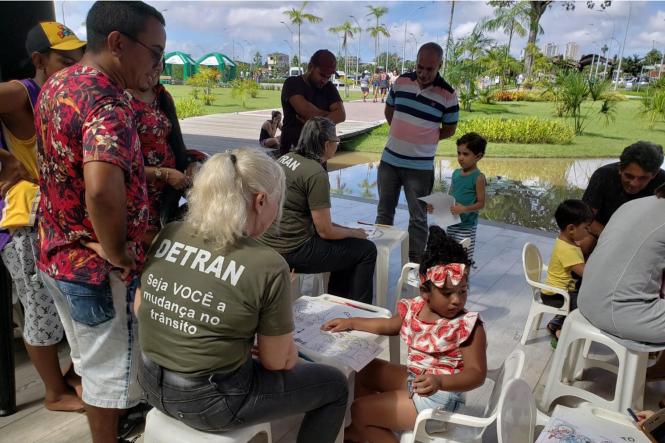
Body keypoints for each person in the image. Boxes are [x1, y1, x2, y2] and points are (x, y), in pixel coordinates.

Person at [136, 149, 349, 443]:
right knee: (335, 385)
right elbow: (277, 363)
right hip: (210, 402)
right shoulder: (268, 264)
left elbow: (140, 307)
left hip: (148, 382)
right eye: (279, 203)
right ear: (261, 201)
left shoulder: (169, 233)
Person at [34, 2, 165, 442]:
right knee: (109, 378)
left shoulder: (56, 86)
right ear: (116, 43)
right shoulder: (108, 101)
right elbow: (100, 187)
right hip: (95, 268)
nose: (158, 64)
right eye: (154, 51)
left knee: (91, 365)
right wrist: (115, 250)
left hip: (57, 252)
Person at [322, 225, 487, 443]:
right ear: (424, 290)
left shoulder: (468, 326)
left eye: (463, 290)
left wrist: (440, 382)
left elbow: (477, 374)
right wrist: (351, 322)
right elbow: (389, 326)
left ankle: (364, 426)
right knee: (363, 369)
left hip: (439, 400)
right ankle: (369, 428)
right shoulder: (416, 308)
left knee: (358, 411)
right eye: (447, 293)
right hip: (417, 379)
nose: (456, 299)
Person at [0, 21, 86, 413]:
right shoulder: (24, 93)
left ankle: (69, 377)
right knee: (41, 311)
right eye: (64, 61)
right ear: (39, 60)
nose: (73, 68)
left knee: (66, 307)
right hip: (25, 221)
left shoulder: (62, 95)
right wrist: (6, 163)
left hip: (53, 217)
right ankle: (53, 393)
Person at [259, 117, 377, 304]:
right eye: (336, 141)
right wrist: (354, 233)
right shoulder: (315, 173)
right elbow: (325, 231)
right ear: (327, 144)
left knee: (346, 248)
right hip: (292, 249)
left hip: (268, 241)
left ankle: (338, 304)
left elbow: (316, 221)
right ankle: (359, 312)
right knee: (366, 250)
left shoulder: (285, 158)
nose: (337, 145)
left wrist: (347, 234)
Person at [376, 42, 459, 263]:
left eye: (429, 69)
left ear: (440, 65)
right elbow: (389, 110)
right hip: (390, 161)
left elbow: (449, 129)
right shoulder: (401, 82)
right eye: (419, 67)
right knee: (384, 212)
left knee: (418, 218)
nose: (422, 73)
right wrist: (402, 133)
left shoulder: (448, 95)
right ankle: (378, 257)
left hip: (420, 168)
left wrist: (425, 137)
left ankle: (414, 265)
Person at [577, 189, 665, 346]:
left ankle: (645, 367)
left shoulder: (631, 205)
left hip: (585, 298)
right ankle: (649, 370)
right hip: (619, 314)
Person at [126, 66, 198, 246]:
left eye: (159, 64)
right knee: (145, 248)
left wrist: (190, 163)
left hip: (167, 192)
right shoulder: (120, 101)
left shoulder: (161, 96)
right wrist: (164, 173)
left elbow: (174, 141)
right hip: (139, 194)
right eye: (151, 62)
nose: (155, 69)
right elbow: (120, 166)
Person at [581, 141, 665, 252]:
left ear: (654, 174)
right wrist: (616, 237)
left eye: (643, 178)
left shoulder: (662, 182)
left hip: (642, 237)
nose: (634, 183)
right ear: (620, 168)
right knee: (585, 242)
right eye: (629, 176)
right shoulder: (603, 175)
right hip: (603, 231)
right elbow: (584, 219)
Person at [541, 200, 593, 346]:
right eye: (586, 228)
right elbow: (586, 273)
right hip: (556, 295)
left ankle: (554, 324)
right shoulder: (568, 250)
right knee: (582, 306)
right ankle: (560, 333)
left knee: (579, 295)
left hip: (560, 290)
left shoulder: (567, 242)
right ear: (571, 229)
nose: (588, 232)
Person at [278, 49, 346, 157]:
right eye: (322, 75)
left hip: (319, 155)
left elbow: (341, 115)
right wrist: (328, 114)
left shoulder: (329, 88)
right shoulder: (292, 83)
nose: (325, 80)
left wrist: (314, 120)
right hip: (291, 153)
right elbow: (306, 112)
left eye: (328, 77)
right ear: (310, 67)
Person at [446, 132, 487, 263]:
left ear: (478, 156)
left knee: (464, 260)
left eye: (465, 154)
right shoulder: (456, 173)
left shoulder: (478, 178)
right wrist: (436, 206)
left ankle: (464, 283)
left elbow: (481, 203)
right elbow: (449, 197)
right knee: (449, 257)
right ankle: (451, 283)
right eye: (459, 153)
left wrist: (464, 209)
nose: (461, 158)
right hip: (451, 224)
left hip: (466, 227)